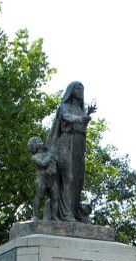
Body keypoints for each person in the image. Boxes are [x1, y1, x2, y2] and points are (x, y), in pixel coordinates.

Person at [46, 81, 95, 221]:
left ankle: (73, 211)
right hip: (66, 143)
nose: (80, 90)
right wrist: (81, 118)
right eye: (77, 88)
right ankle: (66, 214)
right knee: (68, 177)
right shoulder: (64, 107)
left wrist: (86, 115)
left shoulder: (81, 110)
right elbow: (67, 117)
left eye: (82, 88)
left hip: (79, 144)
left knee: (79, 179)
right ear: (71, 90)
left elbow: (82, 123)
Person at [27, 136, 58, 220]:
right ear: (34, 146)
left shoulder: (47, 153)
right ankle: (35, 215)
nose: (42, 142)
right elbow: (43, 163)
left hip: (51, 179)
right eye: (39, 142)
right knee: (39, 196)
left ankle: (54, 216)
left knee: (55, 197)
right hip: (42, 179)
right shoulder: (35, 157)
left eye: (41, 141)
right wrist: (50, 156)